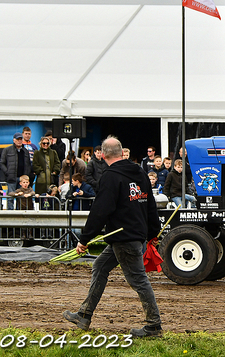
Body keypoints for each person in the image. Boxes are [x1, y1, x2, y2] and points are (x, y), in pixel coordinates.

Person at [63, 136, 163, 337]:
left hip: (124, 237)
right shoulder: (140, 172)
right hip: (131, 236)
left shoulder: (110, 176)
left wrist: (84, 239)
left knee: (138, 279)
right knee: (100, 266)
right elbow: (150, 205)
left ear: (104, 155)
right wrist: (153, 232)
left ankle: (154, 325)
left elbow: (100, 210)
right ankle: (84, 314)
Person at [0, 133, 32, 209]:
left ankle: (19, 214)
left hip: (22, 179)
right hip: (11, 178)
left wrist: (26, 175)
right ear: (14, 140)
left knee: (21, 198)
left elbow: (28, 164)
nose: (19, 141)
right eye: (17, 139)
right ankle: (10, 214)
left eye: (20, 139)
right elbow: (1, 163)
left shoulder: (25, 151)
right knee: (10, 197)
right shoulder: (7, 150)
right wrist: (7, 173)